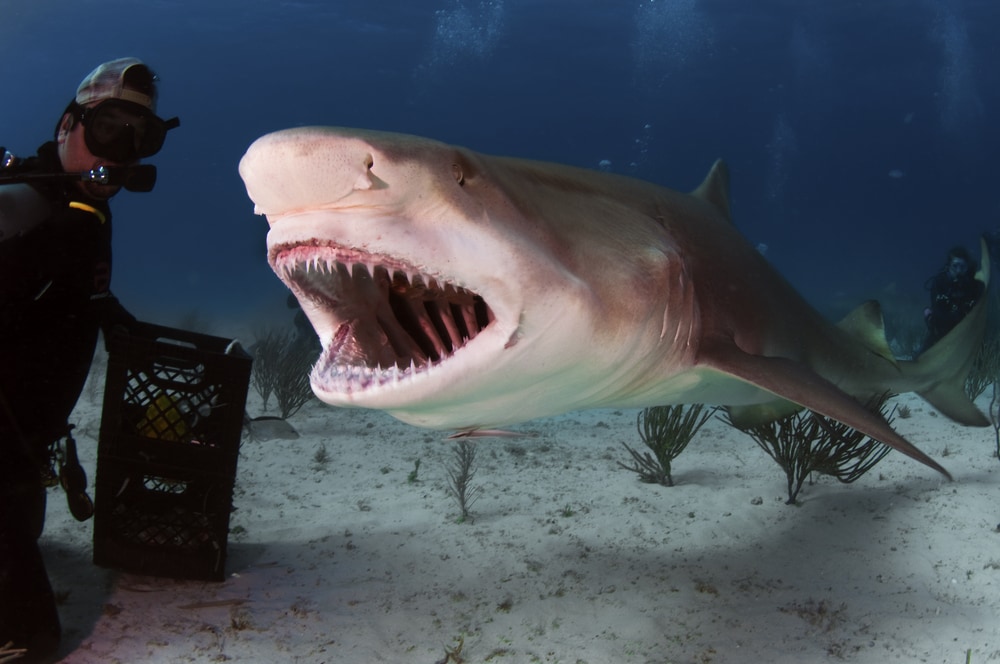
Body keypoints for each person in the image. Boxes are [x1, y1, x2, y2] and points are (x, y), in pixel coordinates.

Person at [0, 57, 178, 661]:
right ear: (67, 124)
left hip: (27, 445)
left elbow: (77, 289)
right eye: (109, 131)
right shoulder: (25, 202)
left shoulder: (86, 211)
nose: (124, 150)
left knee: (24, 525)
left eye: (141, 137)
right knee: (32, 640)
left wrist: (112, 316)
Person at [922, 245, 984, 351]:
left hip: (967, 330)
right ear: (948, 266)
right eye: (955, 266)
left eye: (962, 267)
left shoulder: (974, 285)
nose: (959, 271)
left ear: (967, 268)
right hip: (943, 328)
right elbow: (936, 311)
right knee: (924, 352)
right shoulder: (939, 282)